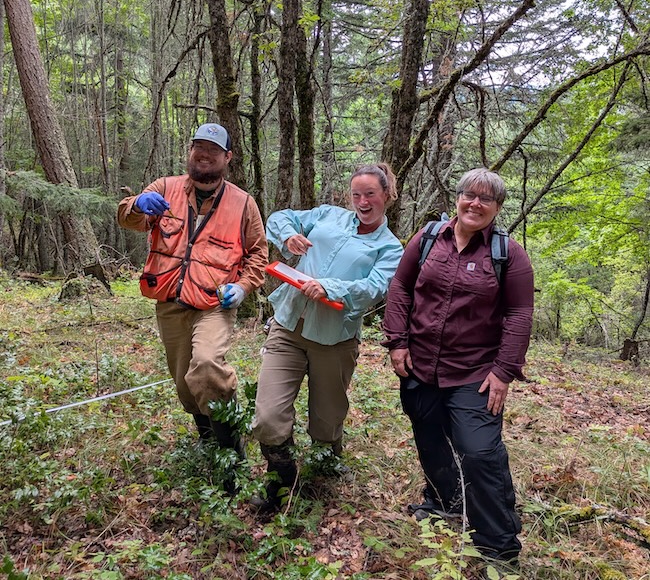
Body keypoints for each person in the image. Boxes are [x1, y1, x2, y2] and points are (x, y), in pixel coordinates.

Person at [382, 168, 534, 571]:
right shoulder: (429, 238)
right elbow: (400, 287)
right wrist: (397, 341)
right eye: (470, 194)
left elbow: (520, 314)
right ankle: (443, 503)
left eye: (487, 199)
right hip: (419, 365)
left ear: (497, 208)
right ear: (458, 197)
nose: (476, 203)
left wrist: (504, 371)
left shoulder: (508, 254)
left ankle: (499, 547)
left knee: (480, 452)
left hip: (474, 371)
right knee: (429, 439)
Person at [251, 163, 404, 512]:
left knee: (326, 420)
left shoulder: (390, 248)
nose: (362, 202)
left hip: (335, 341)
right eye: (356, 194)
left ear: (386, 196)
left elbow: (373, 288)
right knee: (268, 417)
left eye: (370, 194)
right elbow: (280, 217)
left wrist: (331, 287)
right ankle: (281, 476)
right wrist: (288, 234)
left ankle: (325, 466)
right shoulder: (328, 216)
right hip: (288, 328)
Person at [117, 123, 268, 463]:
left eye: (213, 149)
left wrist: (242, 288)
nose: (203, 154)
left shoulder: (243, 204)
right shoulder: (165, 188)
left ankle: (231, 449)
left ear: (227, 157)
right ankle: (208, 437)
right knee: (185, 383)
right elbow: (130, 219)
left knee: (207, 365)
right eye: (198, 146)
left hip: (214, 303)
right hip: (169, 301)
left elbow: (259, 254)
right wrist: (138, 204)